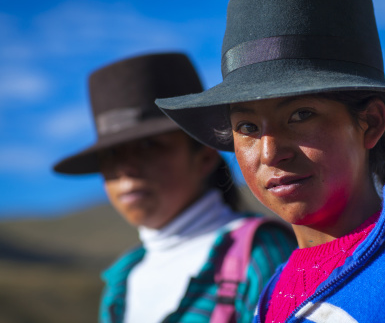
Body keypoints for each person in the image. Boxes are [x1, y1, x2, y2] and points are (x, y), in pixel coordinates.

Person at [155, 0, 385, 323]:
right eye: (248, 128)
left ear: (371, 123)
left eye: (301, 115)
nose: (270, 152)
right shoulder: (279, 285)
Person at [53, 53, 296, 323]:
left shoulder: (259, 253)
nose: (125, 169)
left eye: (148, 146)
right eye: (111, 154)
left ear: (204, 156)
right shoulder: (121, 281)